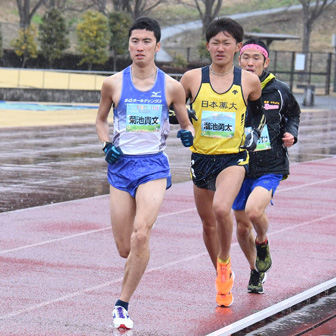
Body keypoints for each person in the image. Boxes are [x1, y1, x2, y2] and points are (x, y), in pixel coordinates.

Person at [95, 16, 195, 330]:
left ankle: (121, 305)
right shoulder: (113, 83)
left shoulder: (171, 86)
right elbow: (100, 121)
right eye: (135, 41)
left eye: (146, 41)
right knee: (124, 247)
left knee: (141, 235)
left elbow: (185, 121)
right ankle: (133, 265)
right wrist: (105, 143)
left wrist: (187, 133)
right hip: (121, 167)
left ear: (157, 46)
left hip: (153, 166)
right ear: (129, 44)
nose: (140, 47)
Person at [179, 18, 266, 307]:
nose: (220, 48)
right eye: (215, 42)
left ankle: (226, 260)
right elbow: (179, 112)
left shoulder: (249, 81)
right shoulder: (191, 78)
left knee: (221, 209)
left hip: (233, 158)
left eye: (227, 42)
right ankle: (221, 274)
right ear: (207, 46)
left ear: (237, 47)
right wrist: (187, 130)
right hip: (201, 158)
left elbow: (256, 114)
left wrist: (253, 133)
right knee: (208, 224)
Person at [232, 38, 301, 294]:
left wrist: (291, 133)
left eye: (256, 58)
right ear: (239, 61)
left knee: (253, 212)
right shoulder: (229, 87)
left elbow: (293, 113)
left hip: (270, 164)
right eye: (246, 58)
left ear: (266, 62)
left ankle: (262, 240)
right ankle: (255, 271)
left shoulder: (279, 90)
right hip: (237, 165)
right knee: (240, 228)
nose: (250, 63)